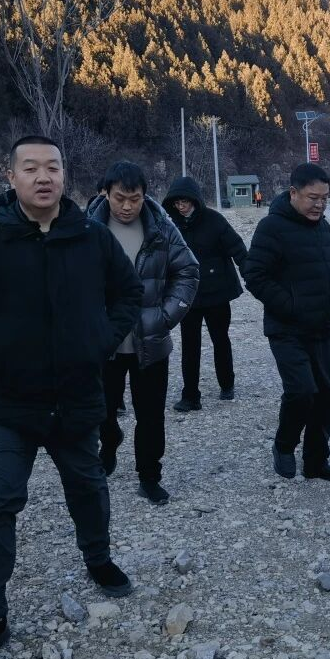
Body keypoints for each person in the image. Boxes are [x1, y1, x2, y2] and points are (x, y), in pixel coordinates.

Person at [0, 135, 143, 659]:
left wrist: (99, 342)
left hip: (76, 395)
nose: (43, 177)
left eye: (52, 167)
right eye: (30, 168)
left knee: (88, 485)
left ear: (64, 176)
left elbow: (127, 294)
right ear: (11, 177)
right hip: (9, 400)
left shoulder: (93, 238)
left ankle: (98, 558)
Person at [243, 162, 330, 482]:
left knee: (325, 397)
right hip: (287, 330)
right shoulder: (272, 227)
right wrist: (291, 306)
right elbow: (254, 275)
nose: (319, 205)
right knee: (301, 392)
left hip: (321, 329)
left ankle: (316, 462)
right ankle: (284, 446)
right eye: (313, 198)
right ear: (293, 193)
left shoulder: (323, 228)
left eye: (324, 198)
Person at [87, 162, 199, 505]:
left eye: (134, 199)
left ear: (144, 196)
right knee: (100, 410)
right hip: (102, 342)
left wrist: (164, 318)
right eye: (119, 198)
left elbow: (188, 271)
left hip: (150, 342)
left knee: (150, 415)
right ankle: (109, 441)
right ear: (105, 194)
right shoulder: (87, 228)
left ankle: (149, 476)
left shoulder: (161, 227)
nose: (127, 206)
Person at [161, 175, 248, 411]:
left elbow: (238, 249)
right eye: (177, 202)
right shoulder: (171, 226)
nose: (181, 206)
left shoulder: (214, 220)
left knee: (220, 339)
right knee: (190, 345)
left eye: (185, 201)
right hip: (187, 295)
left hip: (217, 292)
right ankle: (190, 396)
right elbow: (163, 258)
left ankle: (227, 383)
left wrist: (253, 276)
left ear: (195, 200)